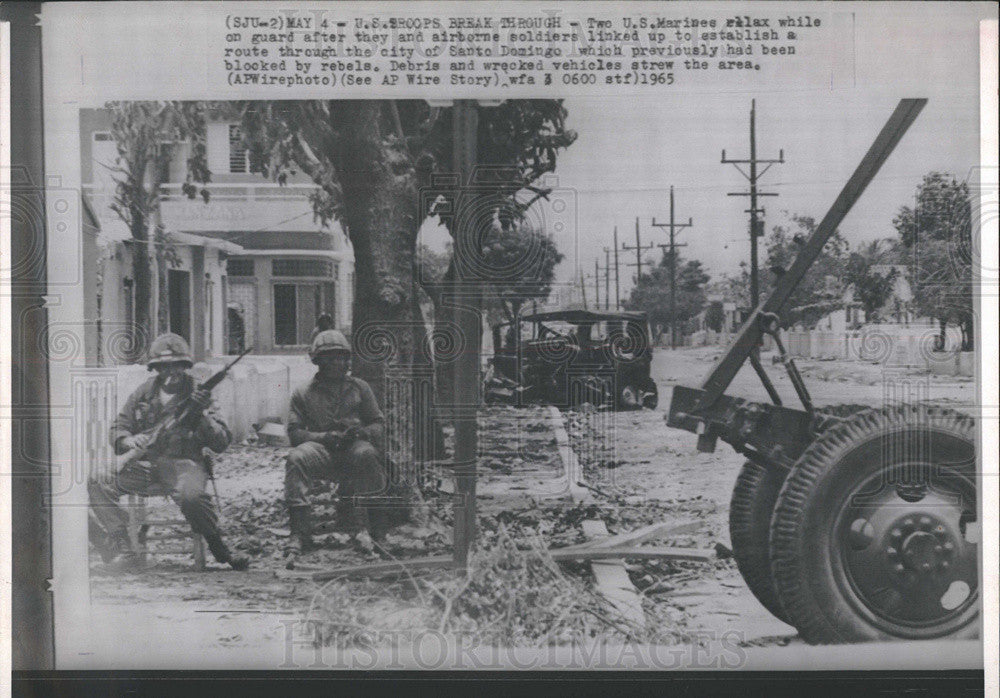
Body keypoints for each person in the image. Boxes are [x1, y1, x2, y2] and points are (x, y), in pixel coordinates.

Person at [88, 333, 249, 571]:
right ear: (156, 368)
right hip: (146, 467)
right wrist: (129, 439)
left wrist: (202, 414)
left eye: (177, 366)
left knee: (192, 497)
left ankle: (219, 548)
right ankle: (123, 547)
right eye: (164, 367)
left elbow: (221, 441)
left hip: (185, 466)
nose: (171, 373)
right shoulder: (144, 393)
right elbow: (118, 427)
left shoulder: (199, 394)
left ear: (185, 366)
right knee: (97, 481)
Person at [284, 329, 388, 559]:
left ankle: (370, 530)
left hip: (353, 449)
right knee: (296, 458)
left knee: (367, 454)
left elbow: (378, 424)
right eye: (329, 357)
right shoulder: (303, 393)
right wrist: (323, 437)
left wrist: (360, 431)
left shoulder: (360, 388)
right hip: (322, 451)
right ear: (317, 361)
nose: (336, 363)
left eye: (341, 357)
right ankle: (299, 533)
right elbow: (295, 433)